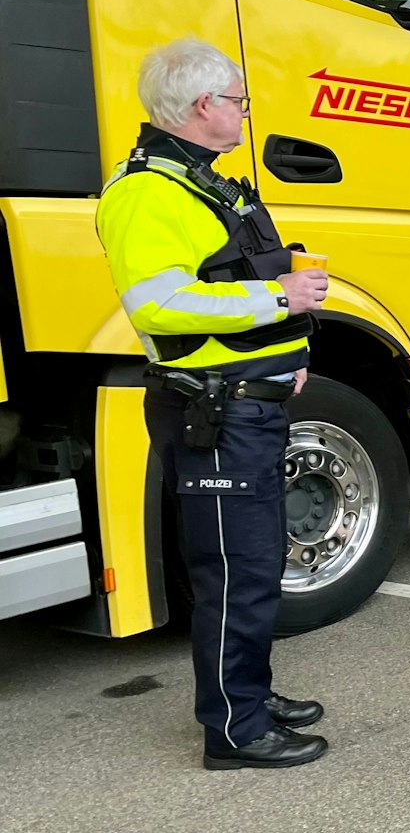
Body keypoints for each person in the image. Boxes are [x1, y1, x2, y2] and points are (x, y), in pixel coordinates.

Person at [96, 38, 327, 769]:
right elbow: (161, 305)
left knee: (253, 564)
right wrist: (278, 297)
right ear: (203, 107)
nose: (244, 112)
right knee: (236, 568)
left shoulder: (202, 183)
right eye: (238, 100)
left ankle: (247, 694)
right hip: (214, 411)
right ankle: (234, 728)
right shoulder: (145, 193)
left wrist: (285, 355)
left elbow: (230, 281)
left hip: (244, 403)